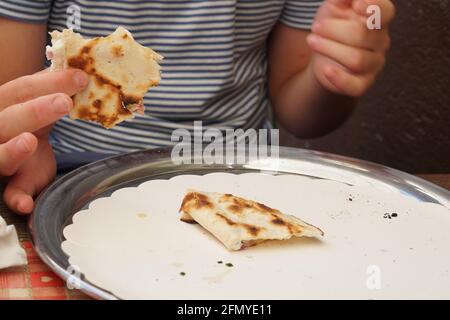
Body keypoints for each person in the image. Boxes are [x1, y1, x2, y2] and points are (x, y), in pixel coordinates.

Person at [0, 0, 395, 214]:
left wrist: (332, 75)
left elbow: (302, 113)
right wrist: (26, 139)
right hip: (77, 173)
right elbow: (13, 94)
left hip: (244, 168)